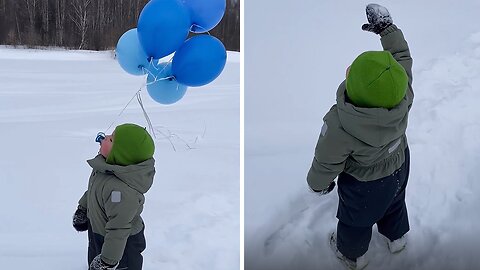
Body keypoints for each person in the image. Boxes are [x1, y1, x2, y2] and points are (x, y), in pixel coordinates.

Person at [306, 4, 413, 270]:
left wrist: (317, 185)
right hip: (400, 165)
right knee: (395, 202)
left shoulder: (340, 124)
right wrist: (387, 30)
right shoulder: (403, 94)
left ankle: (353, 256)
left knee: (356, 222)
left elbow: (326, 161)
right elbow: (401, 56)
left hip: (364, 184)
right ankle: (397, 239)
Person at [73, 123, 156, 270]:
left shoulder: (121, 190)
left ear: (122, 153)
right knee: (94, 258)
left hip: (122, 246)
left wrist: (107, 261)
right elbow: (93, 191)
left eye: (111, 140)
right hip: (99, 233)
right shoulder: (105, 169)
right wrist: (83, 208)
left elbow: (119, 228)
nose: (104, 138)